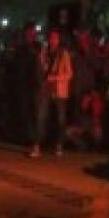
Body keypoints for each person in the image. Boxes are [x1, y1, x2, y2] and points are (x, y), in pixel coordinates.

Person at [29, 28, 73, 157]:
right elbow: (39, 68)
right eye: (51, 37)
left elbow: (70, 73)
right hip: (45, 89)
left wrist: (55, 77)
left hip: (59, 90)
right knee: (40, 117)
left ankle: (59, 145)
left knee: (60, 118)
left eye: (55, 38)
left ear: (59, 40)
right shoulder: (43, 52)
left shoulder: (64, 53)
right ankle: (37, 146)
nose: (52, 40)